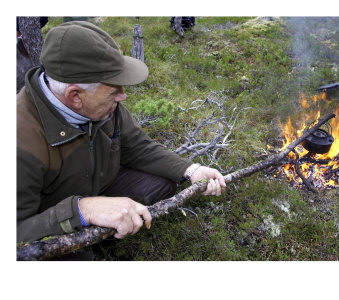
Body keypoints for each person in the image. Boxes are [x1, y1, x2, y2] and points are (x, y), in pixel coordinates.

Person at [17, 21, 226, 258]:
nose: (123, 96)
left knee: (163, 183)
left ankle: (103, 238)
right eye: (114, 90)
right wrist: (82, 210)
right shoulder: (18, 140)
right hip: (52, 219)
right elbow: (16, 230)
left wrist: (191, 169)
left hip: (100, 186)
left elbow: (137, 146)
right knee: (78, 258)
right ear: (75, 96)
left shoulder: (102, 106)